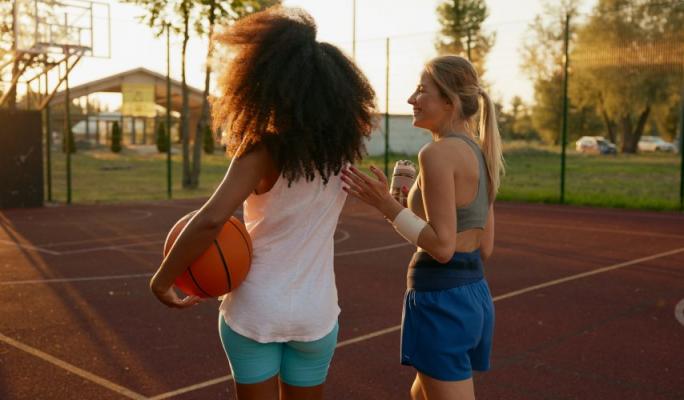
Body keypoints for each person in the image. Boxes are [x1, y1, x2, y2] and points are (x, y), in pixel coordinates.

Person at [148, 7, 376, 400]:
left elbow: (211, 220)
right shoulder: (340, 153)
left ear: (263, 83)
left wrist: (162, 279)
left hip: (256, 307)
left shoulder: (261, 152)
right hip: (316, 312)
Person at [341, 55, 504, 400]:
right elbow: (483, 247)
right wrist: (405, 208)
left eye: (420, 90)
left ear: (449, 101)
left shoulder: (437, 154)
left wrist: (385, 206)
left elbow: (442, 247)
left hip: (441, 299)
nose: (411, 99)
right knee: (421, 394)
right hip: (472, 293)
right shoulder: (481, 151)